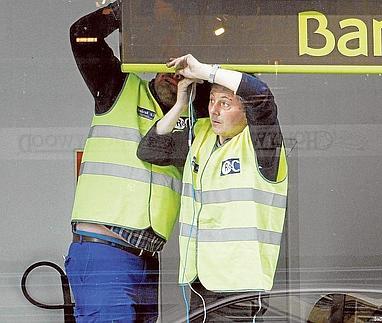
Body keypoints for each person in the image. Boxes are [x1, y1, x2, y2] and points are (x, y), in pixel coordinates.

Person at [65, 2, 209, 321]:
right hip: (104, 250)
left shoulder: (194, 120)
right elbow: (82, 34)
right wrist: (134, 8)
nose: (172, 75)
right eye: (169, 65)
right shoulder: (119, 87)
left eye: (182, 71)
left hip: (147, 258)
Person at [137, 54, 289, 322]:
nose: (214, 110)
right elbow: (150, 149)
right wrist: (181, 103)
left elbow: (261, 95)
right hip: (199, 281)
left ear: (247, 112)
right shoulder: (203, 135)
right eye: (211, 101)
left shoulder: (261, 145)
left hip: (238, 285)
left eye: (225, 103)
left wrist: (206, 71)